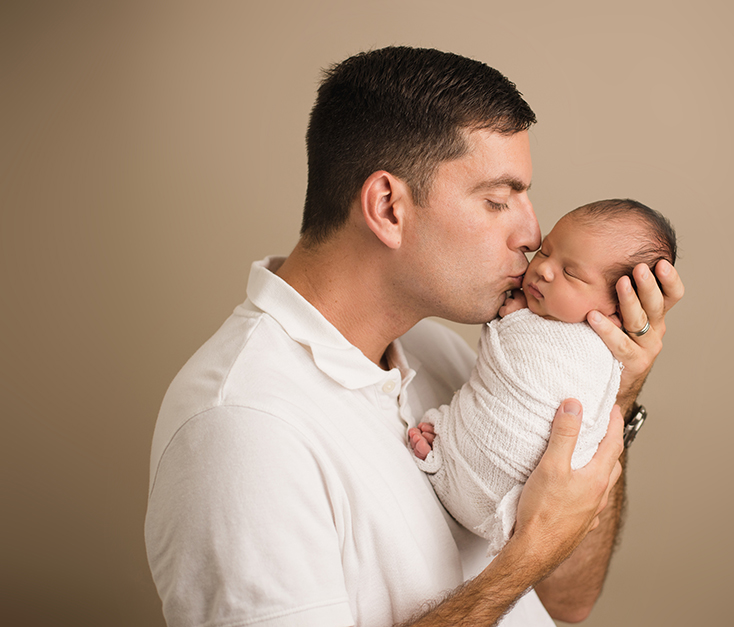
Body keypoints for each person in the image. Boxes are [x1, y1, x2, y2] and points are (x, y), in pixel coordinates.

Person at [145, 46, 683, 627]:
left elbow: (567, 601)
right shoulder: (242, 428)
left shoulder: (455, 358)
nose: (532, 232)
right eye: (498, 200)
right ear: (388, 207)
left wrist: (618, 392)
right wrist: (524, 555)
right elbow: (536, 568)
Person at [408, 199, 677, 555]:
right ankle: (454, 453)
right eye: (546, 251)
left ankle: (451, 457)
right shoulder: (515, 326)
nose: (544, 269)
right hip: (485, 497)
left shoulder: (595, 350)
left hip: (516, 502)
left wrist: (516, 321)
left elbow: (572, 601)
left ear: (617, 309)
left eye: (572, 274)